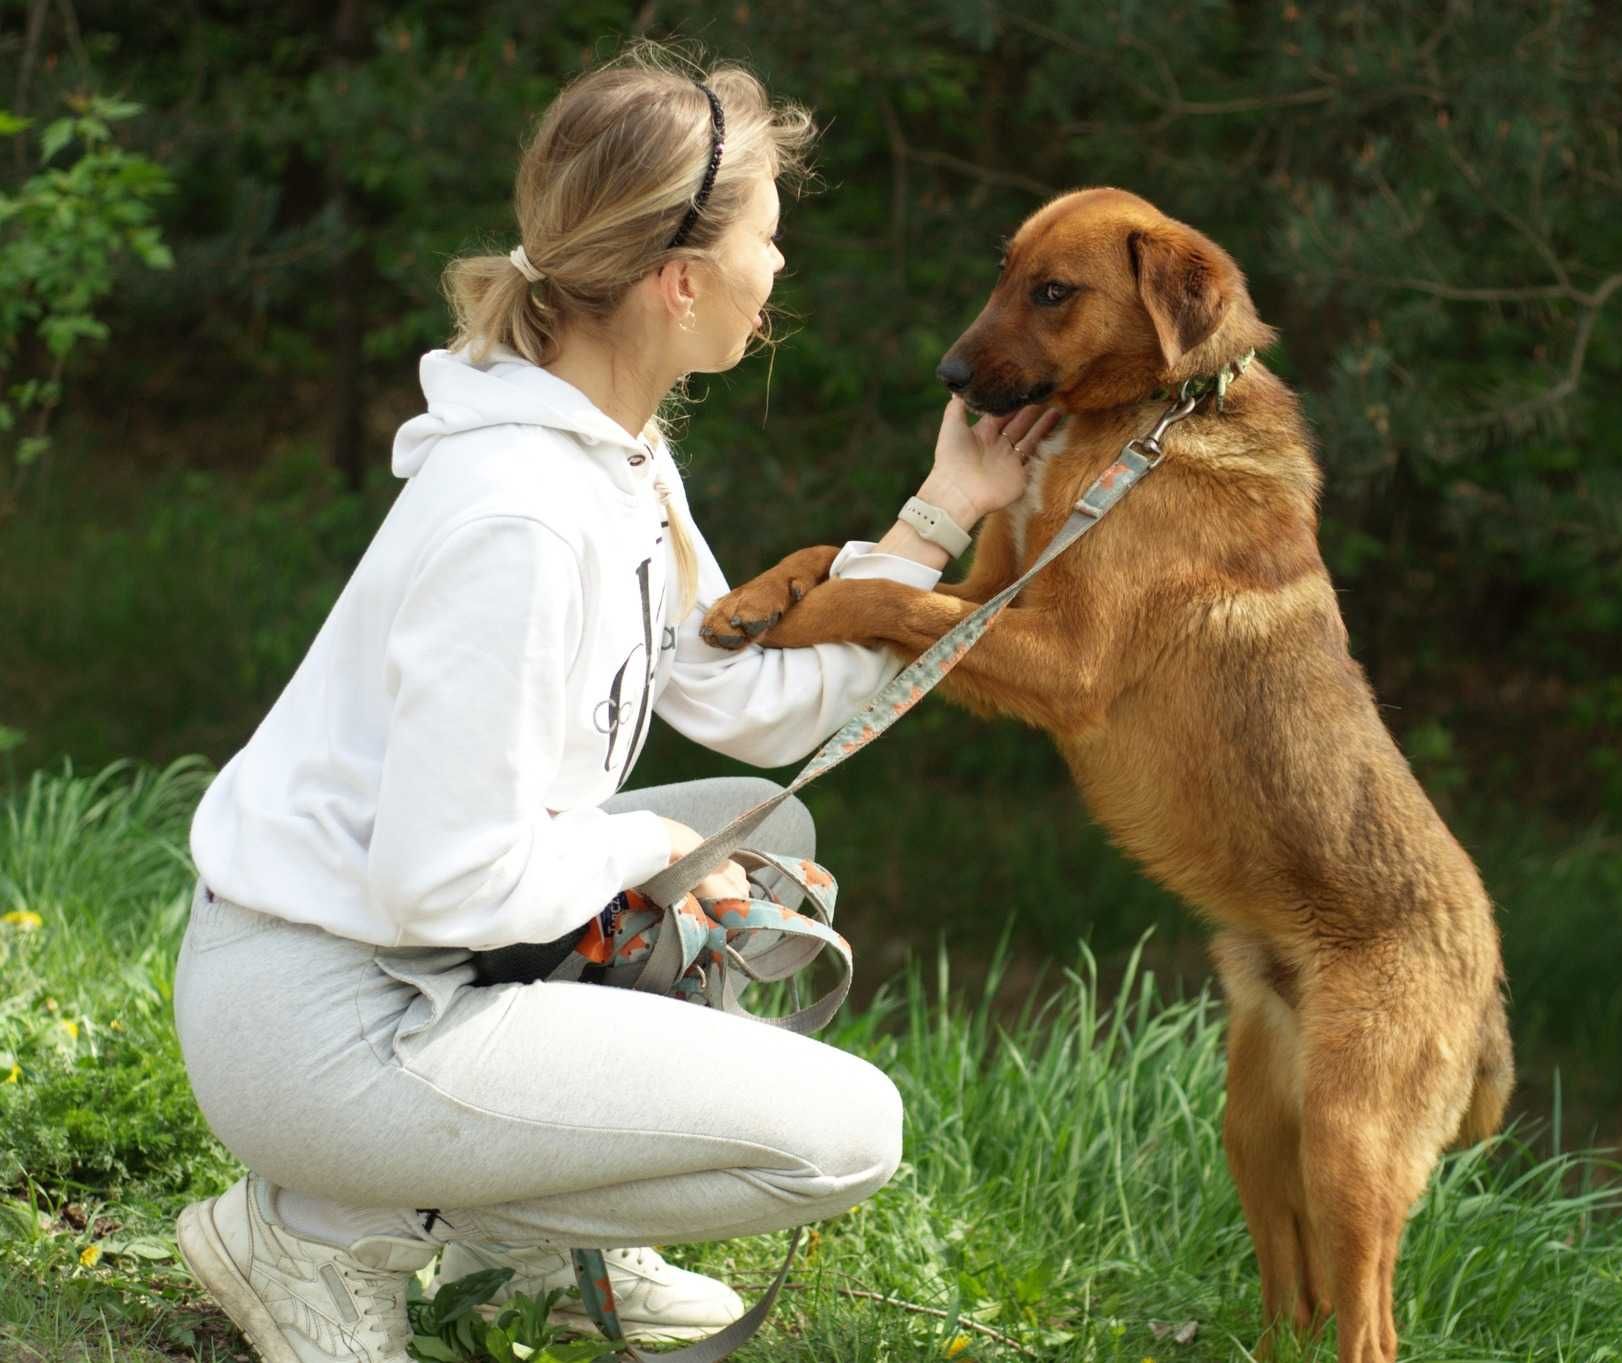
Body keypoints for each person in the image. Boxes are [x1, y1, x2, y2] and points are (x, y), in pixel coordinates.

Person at [171, 43, 1061, 1363]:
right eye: (767, 237)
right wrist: (644, 854)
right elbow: (443, 879)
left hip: (408, 962)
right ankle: (314, 1235)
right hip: (326, 1023)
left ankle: (515, 1243)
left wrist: (937, 520)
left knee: (764, 826)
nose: (779, 268)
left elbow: (745, 706)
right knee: (846, 1135)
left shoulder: (615, 461)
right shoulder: (521, 519)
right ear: (678, 278)